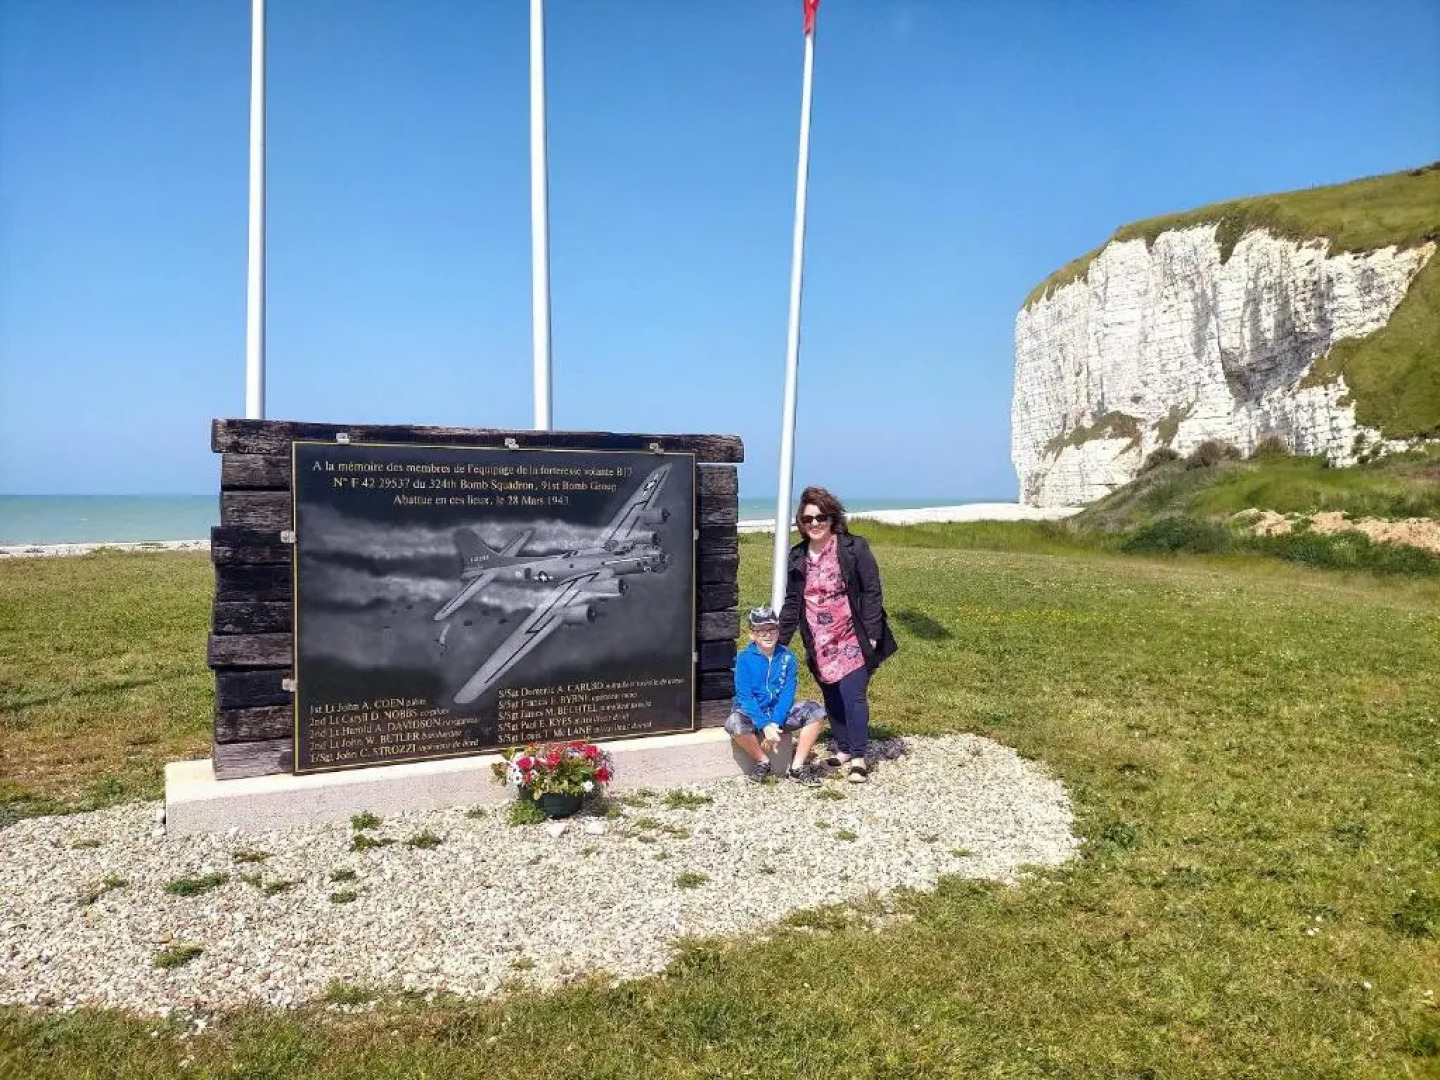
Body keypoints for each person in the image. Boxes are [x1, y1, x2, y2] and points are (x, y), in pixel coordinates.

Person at [778, 486, 897, 783]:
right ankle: (843, 747)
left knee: (853, 694)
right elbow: (793, 602)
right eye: (807, 520)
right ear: (801, 523)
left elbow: (871, 591)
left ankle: (858, 757)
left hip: (851, 634)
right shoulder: (797, 557)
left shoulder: (853, 548)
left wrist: (871, 633)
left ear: (832, 518)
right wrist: (779, 642)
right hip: (818, 638)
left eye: (821, 517)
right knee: (831, 694)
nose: (815, 524)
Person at [724, 606, 826, 785]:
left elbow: (787, 693)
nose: (767, 634)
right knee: (734, 723)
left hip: (778, 713)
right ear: (752, 634)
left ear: (778, 631)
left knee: (816, 711)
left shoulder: (788, 657)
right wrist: (764, 725)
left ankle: (797, 767)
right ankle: (762, 761)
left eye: (771, 629)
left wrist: (775, 722)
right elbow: (745, 697)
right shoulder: (744, 659)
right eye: (760, 630)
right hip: (752, 713)